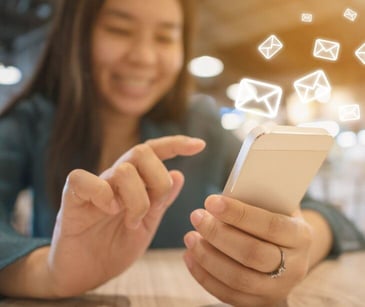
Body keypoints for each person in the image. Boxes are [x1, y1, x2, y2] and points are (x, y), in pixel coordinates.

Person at [0, 0, 364, 305]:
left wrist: (296, 247)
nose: (143, 56)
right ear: (75, 35)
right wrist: (47, 272)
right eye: (119, 29)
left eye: (165, 36)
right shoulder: (32, 119)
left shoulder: (200, 124)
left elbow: (329, 217)